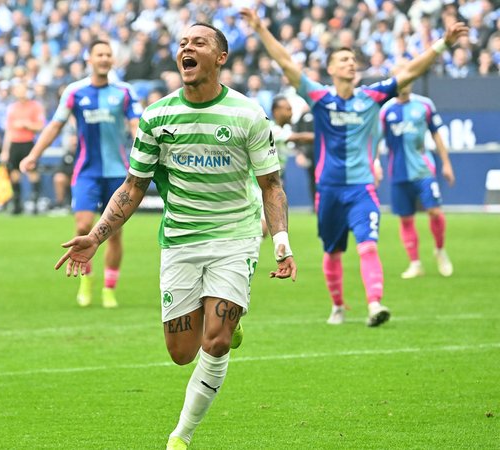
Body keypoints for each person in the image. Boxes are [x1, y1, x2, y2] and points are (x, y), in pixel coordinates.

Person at [54, 24, 297, 450]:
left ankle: (180, 436)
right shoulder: (157, 117)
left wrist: (280, 240)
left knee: (215, 341)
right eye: (183, 43)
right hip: (181, 241)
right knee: (181, 352)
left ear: (220, 57)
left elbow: (271, 184)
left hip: (234, 238)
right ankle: (227, 317)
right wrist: (95, 236)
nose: (187, 47)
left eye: (198, 42)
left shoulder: (248, 114)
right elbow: (133, 186)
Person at [241, 8, 468, 326]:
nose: (350, 63)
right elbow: (287, 63)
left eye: (353, 59)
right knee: (333, 252)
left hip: (362, 188)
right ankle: (337, 305)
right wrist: (260, 28)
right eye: (344, 59)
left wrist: (443, 43)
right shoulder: (320, 97)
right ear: (331, 68)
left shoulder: (371, 96)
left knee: (368, 246)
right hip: (329, 191)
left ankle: (375, 303)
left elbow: (410, 72)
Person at [21, 40, 142, 308]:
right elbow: (55, 125)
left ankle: (109, 289)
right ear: (90, 59)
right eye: (99, 54)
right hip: (86, 171)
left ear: (113, 60)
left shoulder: (124, 91)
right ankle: (86, 280)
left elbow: (136, 125)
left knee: (115, 233)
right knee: (83, 227)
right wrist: (34, 155)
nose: (104, 58)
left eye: (108, 54)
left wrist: (144, 151)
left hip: (118, 173)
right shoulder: (75, 91)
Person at [377, 79, 455, 279]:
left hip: (423, 169)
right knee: (405, 218)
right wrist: (375, 163)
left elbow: (437, 135)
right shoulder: (385, 110)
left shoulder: (424, 105)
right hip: (398, 172)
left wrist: (446, 163)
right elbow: (375, 139)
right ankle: (415, 263)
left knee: (435, 211)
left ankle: (440, 250)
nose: (406, 83)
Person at [1, 81, 45, 214]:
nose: (20, 92)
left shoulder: (35, 106)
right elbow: (9, 131)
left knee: (32, 172)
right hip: (15, 144)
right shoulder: (12, 108)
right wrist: (5, 150)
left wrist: (26, 124)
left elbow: (40, 126)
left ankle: (35, 202)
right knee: (14, 173)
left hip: (28, 143)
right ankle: (17, 204)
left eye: (22, 89)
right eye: (18, 89)